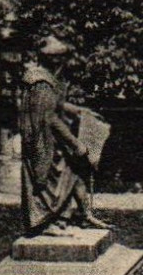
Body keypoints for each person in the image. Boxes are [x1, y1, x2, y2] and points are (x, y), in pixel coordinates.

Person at [22, 35, 109, 234]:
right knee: (47, 179)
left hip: (51, 138)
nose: (62, 61)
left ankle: (82, 215)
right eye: (59, 57)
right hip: (44, 141)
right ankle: (46, 223)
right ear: (50, 59)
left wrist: (77, 111)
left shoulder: (47, 79)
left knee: (74, 172)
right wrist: (75, 143)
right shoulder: (40, 81)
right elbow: (49, 118)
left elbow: (55, 106)